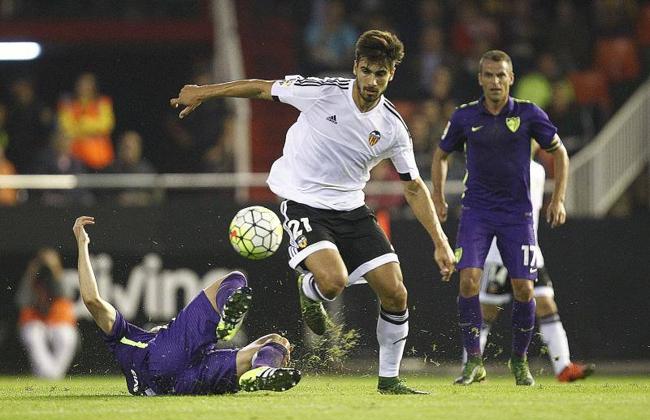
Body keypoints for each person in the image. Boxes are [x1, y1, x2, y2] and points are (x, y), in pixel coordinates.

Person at [171, 29, 456, 394]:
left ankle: (389, 380)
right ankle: (310, 288)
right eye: (366, 71)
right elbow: (261, 88)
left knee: (396, 293)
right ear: (356, 67)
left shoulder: (392, 128)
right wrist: (204, 93)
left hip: (352, 208)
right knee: (333, 282)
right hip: (304, 201)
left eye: (380, 74)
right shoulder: (324, 93)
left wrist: (441, 241)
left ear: (392, 75)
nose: (371, 81)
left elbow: (414, 186)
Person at [431, 49, 570, 386]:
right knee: (467, 282)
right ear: (480, 79)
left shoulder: (529, 114)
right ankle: (473, 362)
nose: (495, 81)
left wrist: (558, 199)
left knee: (525, 289)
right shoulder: (465, 116)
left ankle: (518, 360)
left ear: (511, 78)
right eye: (489, 75)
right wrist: (437, 197)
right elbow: (440, 155)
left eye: (500, 75)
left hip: (517, 216)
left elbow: (560, 152)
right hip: (477, 211)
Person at [72, 216, 301, 395]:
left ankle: (262, 368)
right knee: (234, 279)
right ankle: (228, 316)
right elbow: (92, 299)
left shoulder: (124, 344)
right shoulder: (122, 335)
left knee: (276, 342)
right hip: (167, 360)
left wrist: (82, 245)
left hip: (183, 382)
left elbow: (92, 301)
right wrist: (82, 244)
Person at [460, 160, 594, 382]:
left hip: (530, 250)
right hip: (499, 252)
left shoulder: (538, 170)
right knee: (487, 311)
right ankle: (470, 365)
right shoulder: (497, 165)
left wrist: (558, 200)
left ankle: (563, 367)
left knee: (546, 304)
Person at [16, 248, 79, 379]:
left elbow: (67, 295)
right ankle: (49, 374)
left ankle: (53, 375)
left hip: (57, 322)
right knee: (33, 334)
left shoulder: (60, 277)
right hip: (36, 321)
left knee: (65, 336)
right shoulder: (31, 278)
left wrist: (55, 269)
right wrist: (31, 272)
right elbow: (21, 300)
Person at [58, 72, 115, 171]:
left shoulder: (103, 102)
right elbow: (66, 128)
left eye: (88, 84)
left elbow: (106, 125)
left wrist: (83, 123)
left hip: (101, 158)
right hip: (76, 157)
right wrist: (93, 127)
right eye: (82, 84)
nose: (84, 87)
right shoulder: (67, 104)